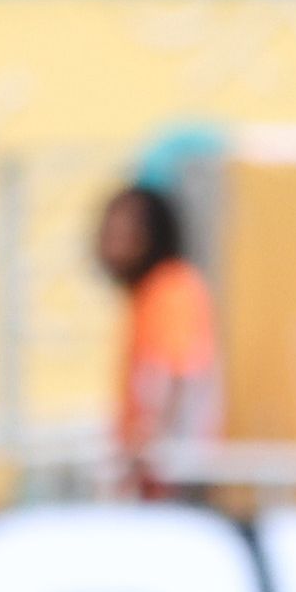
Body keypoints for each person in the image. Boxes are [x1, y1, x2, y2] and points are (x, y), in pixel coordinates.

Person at [97, 181, 216, 499]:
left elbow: (179, 374)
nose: (114, 242)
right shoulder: (145, 297)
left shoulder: (171, 288)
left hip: (170, 482)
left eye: (126, 231)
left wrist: (149, 458)